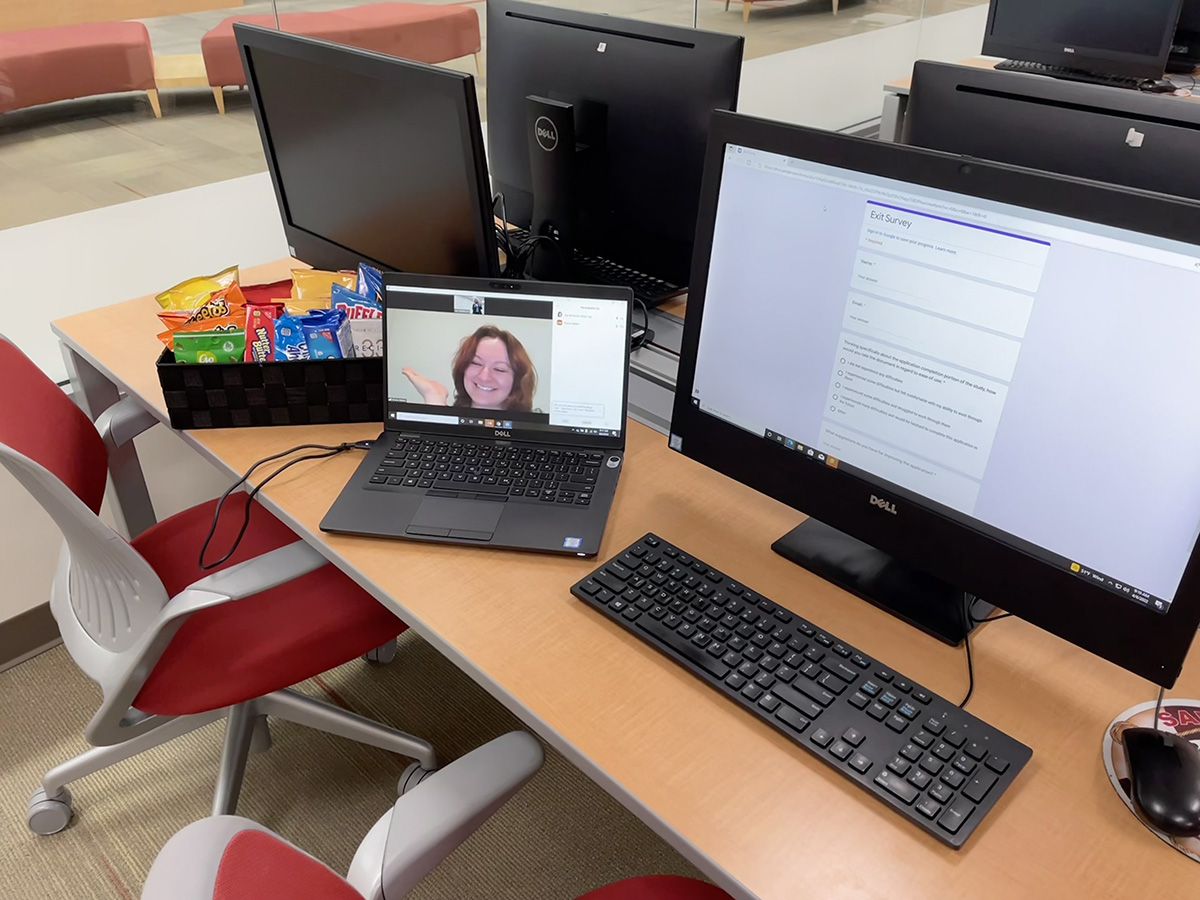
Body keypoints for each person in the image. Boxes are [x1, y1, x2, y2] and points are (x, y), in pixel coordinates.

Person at [402, 325, 538, 412]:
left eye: (499, 369)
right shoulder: (452, 421)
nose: (484, 376)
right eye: (476, 363)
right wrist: (435, 398)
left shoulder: (534, 430)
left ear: (517, 379)